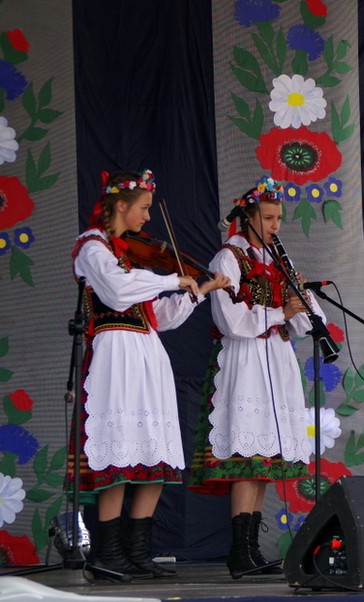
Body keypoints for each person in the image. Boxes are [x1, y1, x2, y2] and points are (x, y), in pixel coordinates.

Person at [68, 169, 231, 581]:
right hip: (114, 352)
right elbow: (117, 291)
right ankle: (107, 553)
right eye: (142, 208)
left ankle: (137, 552)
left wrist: (197, 292)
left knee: (154, 448)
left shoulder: (130, 255)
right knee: (119, 446)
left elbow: (158, 315)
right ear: (120, 205)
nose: (147, 217)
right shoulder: (93, 247)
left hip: (147, 351)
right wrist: (170, 278)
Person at [190, 177, 341, 579]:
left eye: (278, 218)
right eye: (268, 218)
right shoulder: (228, 258)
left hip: (275, 358)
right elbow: (230, 319)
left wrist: (301, 305)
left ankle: (251, 549)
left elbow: (304, 323)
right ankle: (239, 551)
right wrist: (280, 313)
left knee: (265, 458)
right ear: (248, 218)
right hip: (243, 360)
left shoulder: (277, 261)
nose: (275, 225)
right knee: (247, 456)